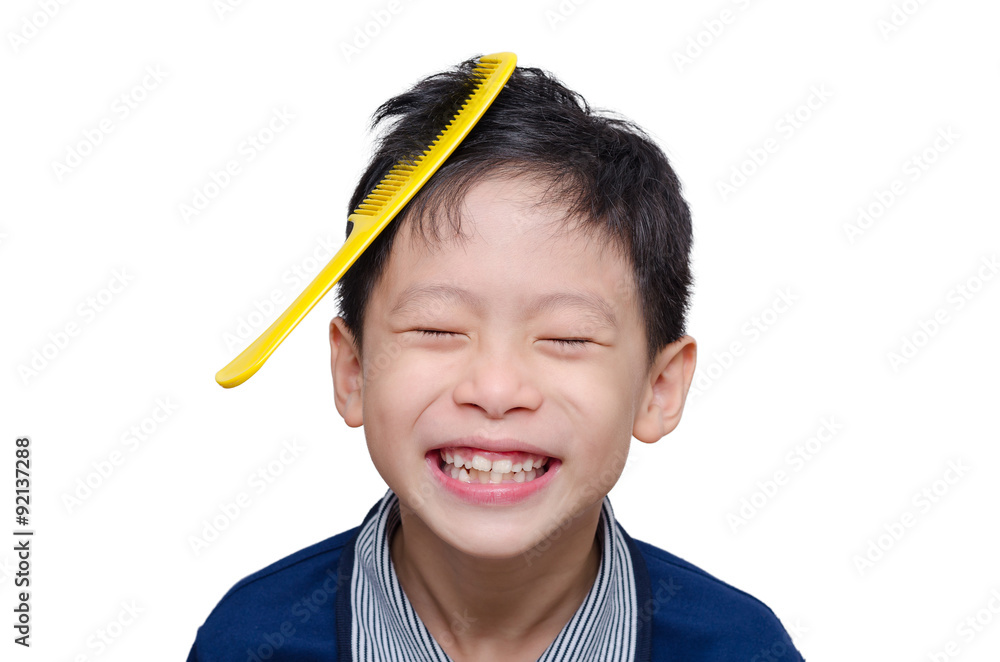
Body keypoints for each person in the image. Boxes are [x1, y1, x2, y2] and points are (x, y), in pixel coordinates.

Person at [186, 54, 805, 661]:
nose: (496, 387)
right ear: (352, 372)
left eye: (567, 337)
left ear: (659, 389)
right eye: (437, 329)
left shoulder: (741, 648)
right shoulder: (250, 641)